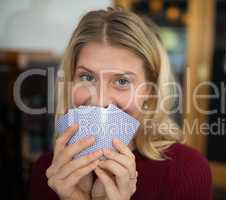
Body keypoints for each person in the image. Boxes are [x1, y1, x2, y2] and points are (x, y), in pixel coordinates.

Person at [30, 7, 212, 200]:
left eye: (122, 81)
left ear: (149, 92)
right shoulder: (50, 172)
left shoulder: (186, 170)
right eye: (87, 76)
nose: (100, 101)